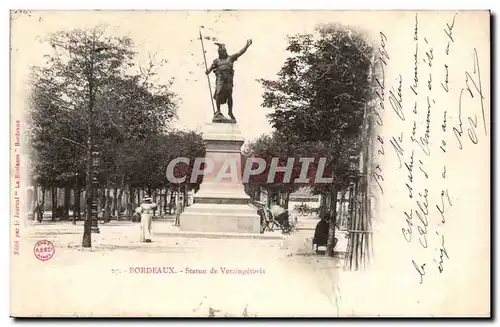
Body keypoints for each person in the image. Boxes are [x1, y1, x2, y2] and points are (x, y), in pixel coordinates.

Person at [205, 39, 252, 120]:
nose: (223, 53)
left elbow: (239, 53)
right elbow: (211, 68)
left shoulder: (230, 58)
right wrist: (208, 71)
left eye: (223, 51)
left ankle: (230, 111)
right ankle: (218, 111)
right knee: (218, 94)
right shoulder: (217, 61)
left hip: (228, 80)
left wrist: (246, 46)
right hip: (220, 79)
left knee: (229, 96)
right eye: (221, 52)